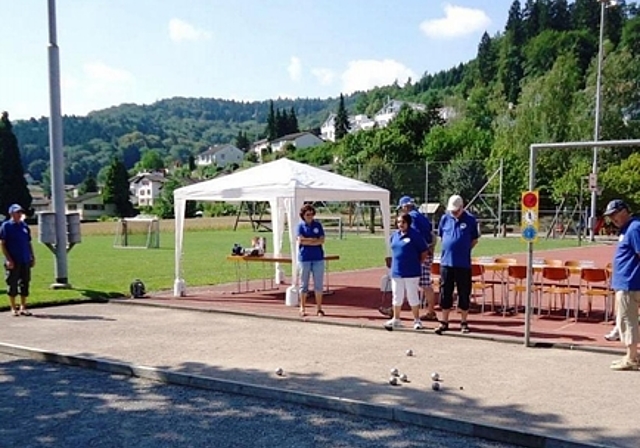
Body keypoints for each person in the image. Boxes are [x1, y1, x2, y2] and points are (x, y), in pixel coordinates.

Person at [380, 196, 436, 321]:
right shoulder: (421, 216)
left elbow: (412, 237)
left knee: (416, 283)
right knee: (419, 283)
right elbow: (432, 234)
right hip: (426, 251)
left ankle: (428, 312)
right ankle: (428, 310)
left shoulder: (412, 218)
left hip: (419, 254)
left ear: (405, 206)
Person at [603, 199, 640, 371]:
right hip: (626, 282)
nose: (613, 219)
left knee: (627, 320)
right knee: (625, 319)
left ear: (625, 211)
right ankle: (631, 355)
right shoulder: (627, 229)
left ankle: (632, 358)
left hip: (630, 283)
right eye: (610, 216)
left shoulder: (634, 228)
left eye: (615, 214)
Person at [435, 195, 479, 335]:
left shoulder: (471, 220)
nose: (454, 213)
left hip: (463, 264)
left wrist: (463, 249)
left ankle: (464, 322)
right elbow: (442, 236)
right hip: (446, 263)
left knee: (464, 292)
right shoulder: (444, 219)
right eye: (452, 210)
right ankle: (444, 321)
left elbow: (474, 240)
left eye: (456, 210)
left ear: (462, 207)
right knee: (445, 292)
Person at [384, 212, 429, 330]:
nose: (400, 224)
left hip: (411, 272)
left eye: (403, 222)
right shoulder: (394, 236)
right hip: (397, 271)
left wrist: (417, 262)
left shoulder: (415, 235)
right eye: (398, 222)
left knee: (412, 295)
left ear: (408, 223)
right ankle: (396, 318)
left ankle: (416, 320)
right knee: (397, 295)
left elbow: (424, 251)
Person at [0, 204, 35, 317]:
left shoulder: (24, 226)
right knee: (12, 283)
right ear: (11, 213)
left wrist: (32, 256)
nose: (19, 214)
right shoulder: (6, 226)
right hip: (13, 260)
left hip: (24, 259)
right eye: (17, 212)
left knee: (25, 283)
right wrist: (9, 259)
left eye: (20, 212)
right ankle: (13, 307)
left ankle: (23, 307)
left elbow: (28, 242)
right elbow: (3, 244)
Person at [297, 204, 325, 317]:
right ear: (303, 215)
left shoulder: (318, 225)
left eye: (312, 214)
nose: (310, 216)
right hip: (305, 258)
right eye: (307, 214)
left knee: (318, 284)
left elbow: (322, 240)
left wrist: (309, 241)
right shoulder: (300, 226)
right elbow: (301, 241)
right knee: (304, 284)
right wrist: (313, 240)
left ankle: (319, 308)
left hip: (318, 257)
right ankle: (302, 307)